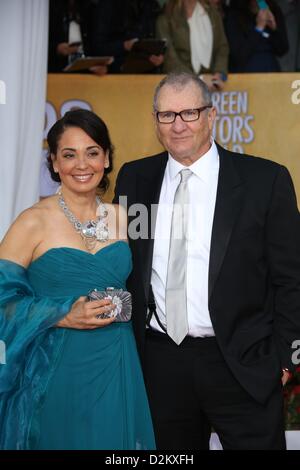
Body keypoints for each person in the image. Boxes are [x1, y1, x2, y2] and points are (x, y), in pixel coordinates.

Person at [114, 72, 300, 450]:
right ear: (155, 121)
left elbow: (291, 279)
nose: (178, 124)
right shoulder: (134, 180)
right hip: (161, 363)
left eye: (190, 113)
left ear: (212, 116)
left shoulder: (265, 181)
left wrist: (285, 363)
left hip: (242, 364)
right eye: (167, 115)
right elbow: (125, 267)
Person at [0, 109, 155, 450]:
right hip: (56, 367)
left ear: (107, 157)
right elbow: (2, 303)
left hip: (118, 358)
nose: (81, 165)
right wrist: (61, 313)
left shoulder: (126, 218)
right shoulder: (32, 222)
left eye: (92, 152)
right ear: (54, 162)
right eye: (69, 155)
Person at [156, 0, 229, 90]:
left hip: (212, 85)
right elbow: (170, 59)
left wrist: (218, 74)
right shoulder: (165, 19)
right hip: (181, 87)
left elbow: (222, 47)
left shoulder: (212, 14)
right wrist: (197, 80)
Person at [224, 0, 289, 72]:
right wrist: (259, 28)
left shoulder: (273, 10)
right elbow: (239, 56)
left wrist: (274, 29)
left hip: (271, 71)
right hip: (247, 73)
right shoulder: (234, 15)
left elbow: (282, 50)